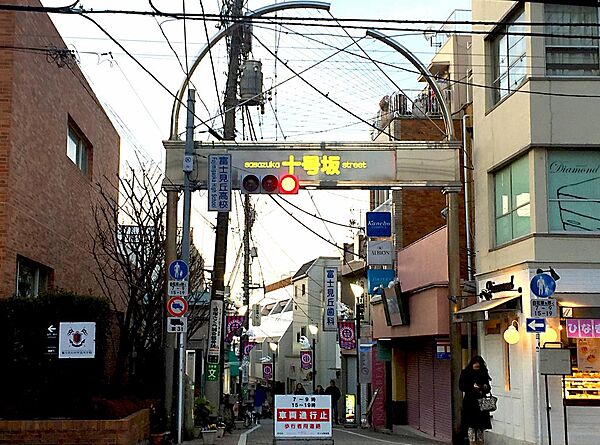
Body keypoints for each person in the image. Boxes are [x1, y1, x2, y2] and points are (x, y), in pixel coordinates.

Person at [459, 356, 493, 445]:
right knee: (471, 426)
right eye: (475, 367)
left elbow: (488, 387)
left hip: (481, 403)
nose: (477, 369)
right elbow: (461, 386)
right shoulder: (465, 373)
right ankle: (472, 442)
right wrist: (471, 387)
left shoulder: (483, 373)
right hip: (470, 403)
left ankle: (480, 442)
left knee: (480, 427)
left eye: (478, 367)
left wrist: (485, 387)